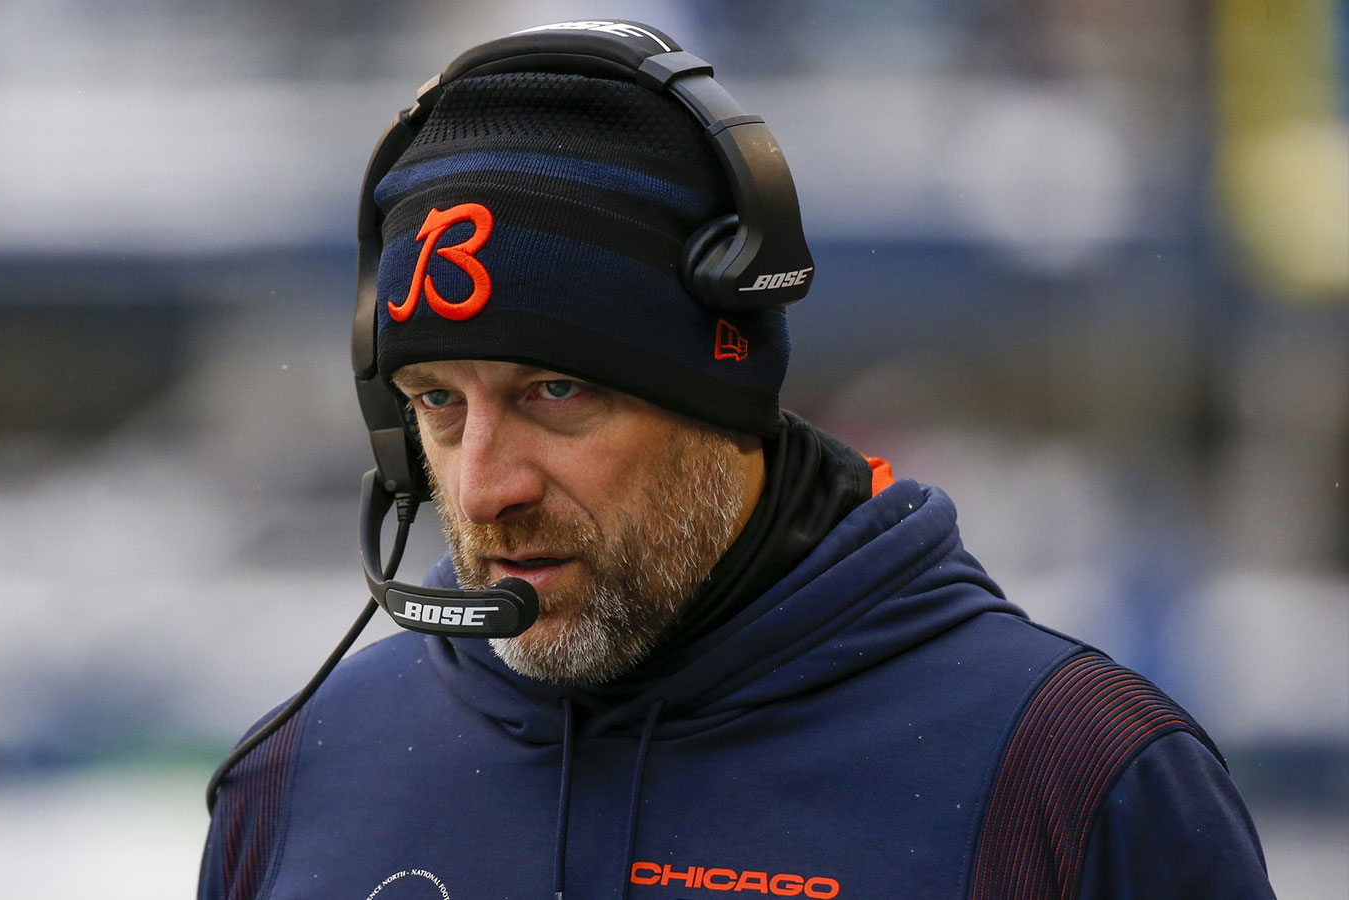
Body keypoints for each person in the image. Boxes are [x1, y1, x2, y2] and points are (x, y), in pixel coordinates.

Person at [199, 20, 1276, 900]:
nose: (484, 487)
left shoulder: (1073, 777)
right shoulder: (295, 778)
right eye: (437, 403)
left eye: (555, 394)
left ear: (720, 397)